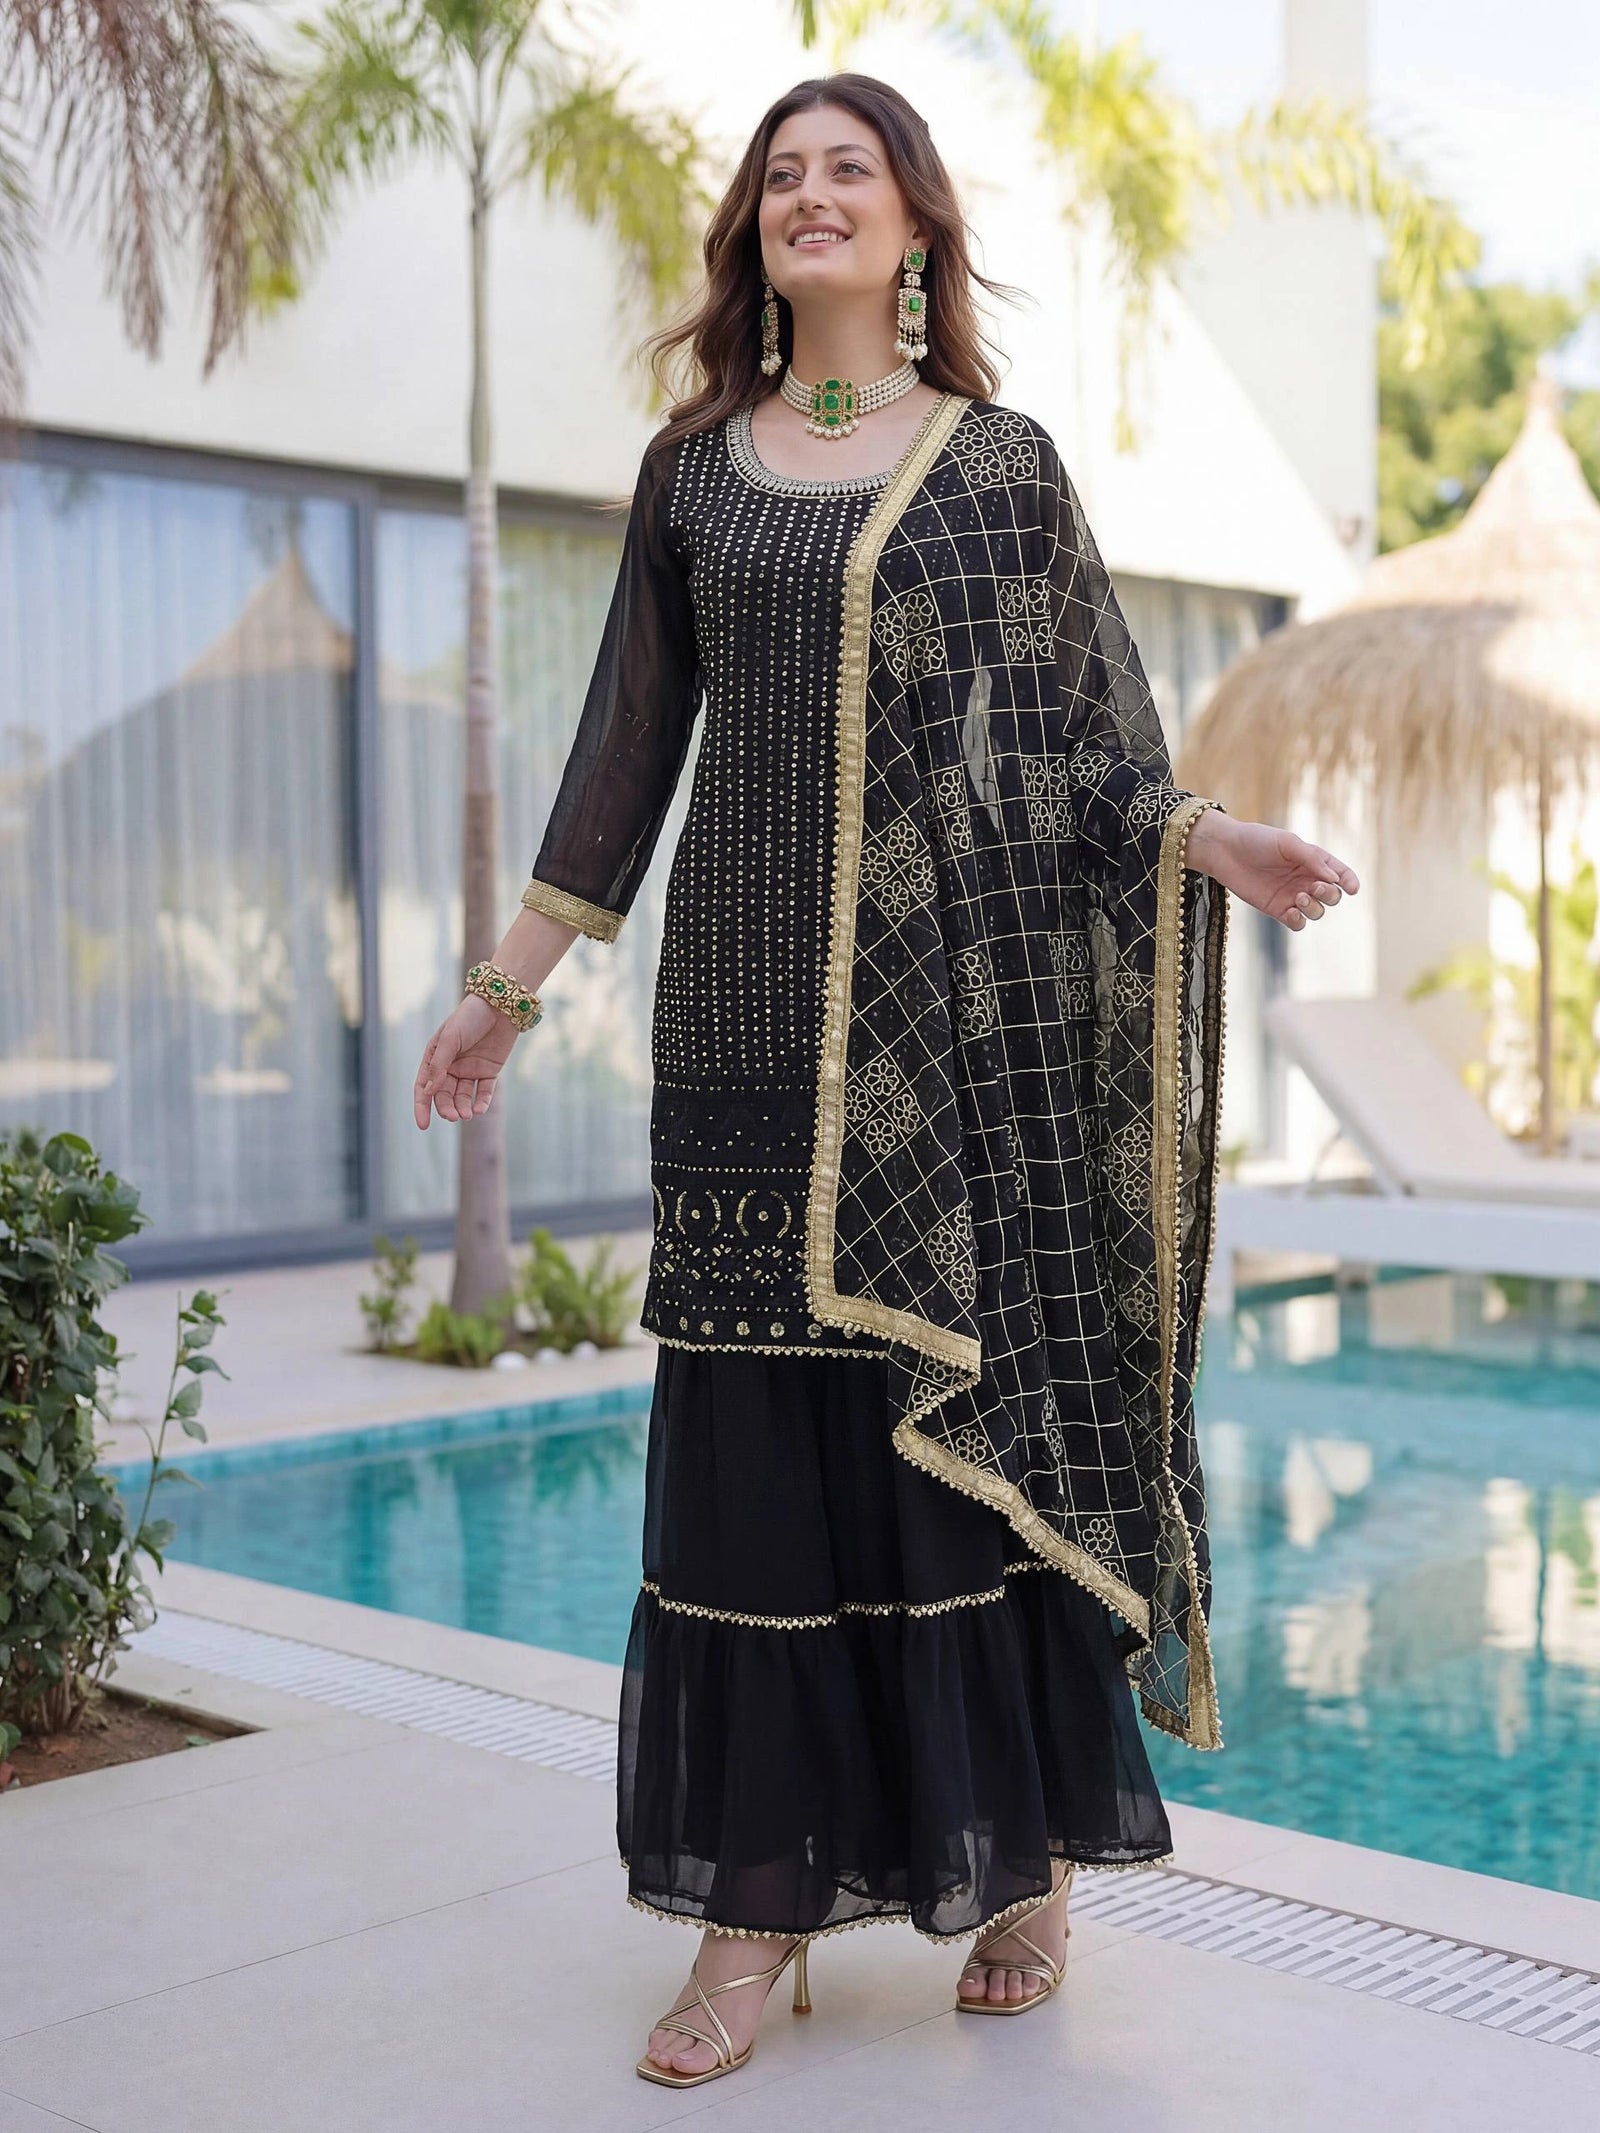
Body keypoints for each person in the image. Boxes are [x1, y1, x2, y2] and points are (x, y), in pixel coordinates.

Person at [413, 72, 1358, 2092]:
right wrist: (502, 986)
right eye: (780, 177)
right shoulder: (695, 472)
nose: (809, 198)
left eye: (848, 172)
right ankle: (757, 1913)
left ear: (916, 226)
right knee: (754, 1468)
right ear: (751, 235)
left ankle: (1013, 1858)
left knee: (951, 1440)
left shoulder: (998, 467)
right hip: (743, 1041)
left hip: (953, 1063)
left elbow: (1084, 733)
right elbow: (618, 755)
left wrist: (1204, 839)